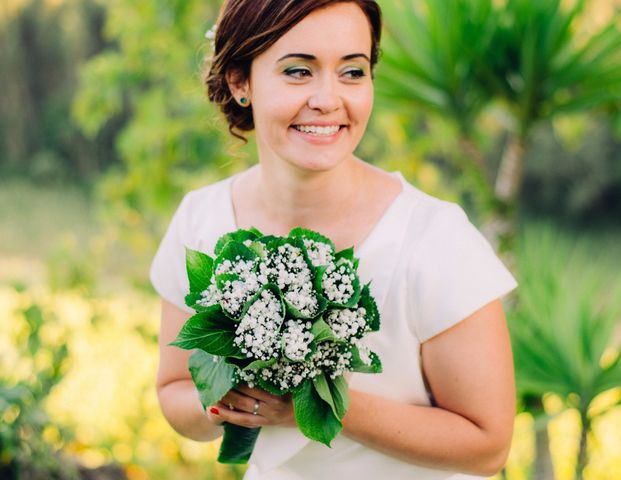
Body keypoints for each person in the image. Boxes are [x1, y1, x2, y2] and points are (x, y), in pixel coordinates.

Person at [150, 1, 518, 479]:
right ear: (241, 81)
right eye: (299, 71)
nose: (328, 98)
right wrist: (230, 400)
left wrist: (314, 403)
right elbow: (175, 391)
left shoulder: (433, 240)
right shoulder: (202, 220)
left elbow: (487, 446)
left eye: (352, 72)